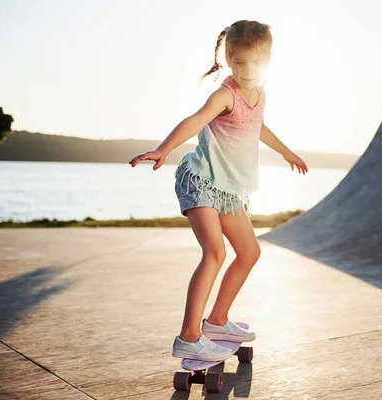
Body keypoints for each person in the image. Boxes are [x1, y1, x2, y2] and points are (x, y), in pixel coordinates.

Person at [129, 20, 308, 361]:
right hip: (200, 179)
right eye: (239, 62)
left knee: (250, 252)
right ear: (227, 57)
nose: (247, 70)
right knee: (214, 253)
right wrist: (165, 149)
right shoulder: (225, 94)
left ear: (268, 58)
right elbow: (196, 120)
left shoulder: (260, 93)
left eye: (255, 62)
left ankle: (217, 321)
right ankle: (189, 336)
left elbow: (258, 126)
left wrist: (286, 152)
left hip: (228, 188)